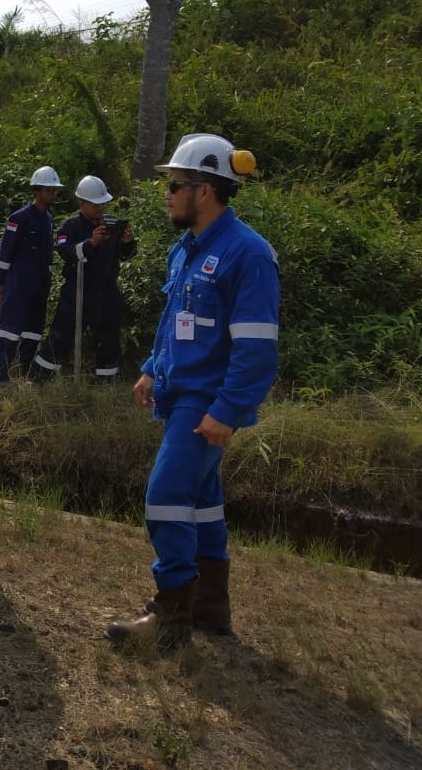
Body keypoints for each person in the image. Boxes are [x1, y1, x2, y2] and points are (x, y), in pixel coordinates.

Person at [106, 133, 279, 649]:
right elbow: (176, 322)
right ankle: (210, 607)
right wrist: (151, 368)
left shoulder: (247, 254)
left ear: (204, 190)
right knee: (202, 504)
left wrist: (227, 410)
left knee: (165, 496)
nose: (167, 194)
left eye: (175, 184)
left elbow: (257, 348)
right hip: (182, 394)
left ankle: (171, 614)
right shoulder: (188, 249)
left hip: (207, 403)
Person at [31, 175, 136, 382]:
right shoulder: (70, 227)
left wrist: (127, 242)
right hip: (77, 292)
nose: (100, 208)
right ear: (81, 203)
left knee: (109, 339)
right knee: (60, 336)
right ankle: (39, 379)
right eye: (95, 204)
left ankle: (106, 383)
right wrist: (92, 243)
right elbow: (66, 252)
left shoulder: (111, 224)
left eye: (103, 204)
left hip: (106, 293)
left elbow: (125, 255)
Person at [0, 166, 61, 385]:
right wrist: (0, 282)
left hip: (40, 284)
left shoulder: (48, 218)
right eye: (48, 190)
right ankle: (0, 374)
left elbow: (48, 253)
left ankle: (25, 373)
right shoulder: (19, 218)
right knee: (10, 328)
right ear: (36, 191)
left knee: (33, 330)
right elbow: (6, 251)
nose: (53, 194)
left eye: (54, 191)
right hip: (18, 282)